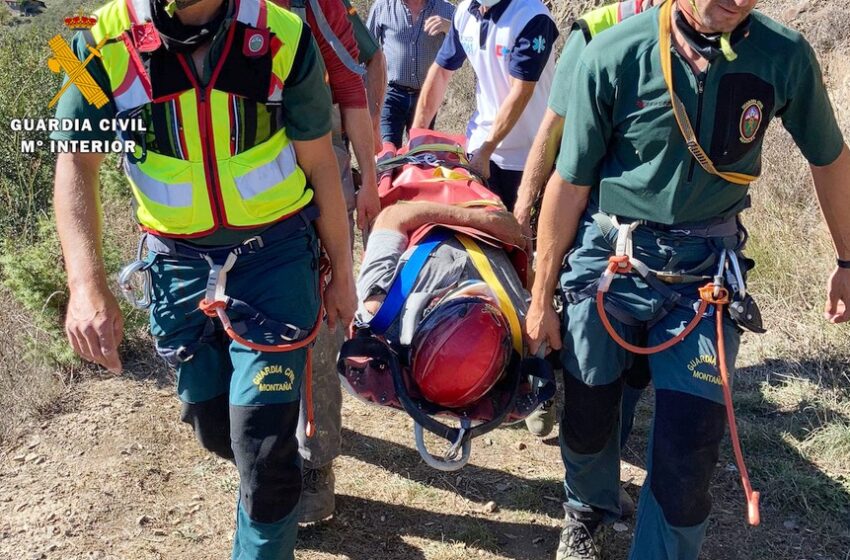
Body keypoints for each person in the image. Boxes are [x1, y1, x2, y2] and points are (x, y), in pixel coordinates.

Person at [526, 0, 850, 557]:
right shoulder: (614, 52)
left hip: (705, 274)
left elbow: (831, 159)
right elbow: (570, 180)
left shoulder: (783, 55)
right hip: (611, 261)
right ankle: (586, 509)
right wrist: (540, 296)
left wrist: (847, 261)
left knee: (689, 453)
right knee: (587, 411)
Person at [51, 0, 357, 558]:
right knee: (216, 429)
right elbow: (75, 160)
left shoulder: (285, 37)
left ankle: (269, 506)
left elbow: (319, 164)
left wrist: (342, 271)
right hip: (175, 267)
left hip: (276, 259)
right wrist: (85, 283)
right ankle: (263, 470)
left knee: (263, 453)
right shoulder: (93, 43)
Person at [518, 0, 661, 467]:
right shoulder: (598, 30)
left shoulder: (716, 31)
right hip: (593, 221)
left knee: (636, 366)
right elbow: (552, 129)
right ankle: (549, 394)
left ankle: (610, 434)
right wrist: (525, 204)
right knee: (574, 333)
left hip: (674, 246)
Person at [269, 0, 383, 524]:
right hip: (214, 218)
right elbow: (78, 69)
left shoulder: (311, 8)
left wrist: (369, 175)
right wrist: (114, 133)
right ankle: (259, 451)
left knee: (318, 325)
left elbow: (352, 84)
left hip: (314, 174)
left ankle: (314, 463)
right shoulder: (133, 21)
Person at [411, 0, 559, 211]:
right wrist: (418, 134)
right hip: (479, 146)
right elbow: (441, 71)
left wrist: (487, 149)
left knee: (520, 237)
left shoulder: (532, 16)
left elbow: (521, 92)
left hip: (526, 155)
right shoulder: (464, 13)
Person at [366, 0, 455, 148]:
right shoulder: (382, 7)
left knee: (420, 152)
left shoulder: (446, 9)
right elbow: (366, 52)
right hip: (390, 94)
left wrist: (450, 27)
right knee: (387, 152)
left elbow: (470, 41)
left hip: (426, 96)